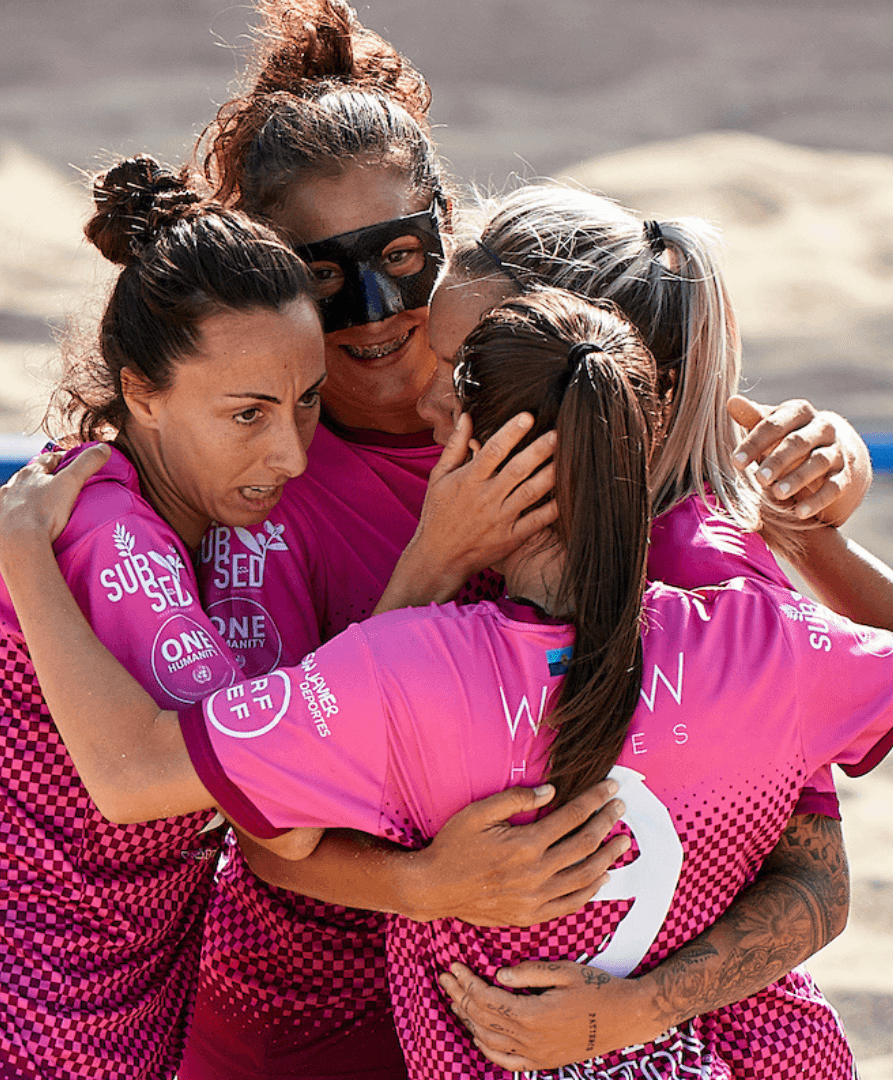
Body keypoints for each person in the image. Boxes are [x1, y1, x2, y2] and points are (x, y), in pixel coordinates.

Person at [183, 4, 873, 1076]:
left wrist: (631, 1013)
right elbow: (246, 820)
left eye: (406, 261)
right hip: (303, 1012)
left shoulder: (685, 557)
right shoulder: (257, 468)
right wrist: (422, 883)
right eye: (322, 273)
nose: (386, 329)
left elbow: (815, 881)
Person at [0, 287, 893, 1080]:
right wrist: (820, 542)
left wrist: (24, 554)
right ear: (641, 444)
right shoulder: (766, 637)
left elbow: (145, 780)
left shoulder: (403, 666)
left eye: (446, 394)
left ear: (472, 443)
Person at [413, 184, 875, 1071]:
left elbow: (818, 885)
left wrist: (633, 1013)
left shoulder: (702, 583)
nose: (425, 396)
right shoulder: (491, 521)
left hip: (708, 1050)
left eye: (469, 368)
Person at [0, 154, 327, 1080]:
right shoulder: (110, 540)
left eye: (307, 404)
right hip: (31, 1042)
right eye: (248, 414)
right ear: (142, 391)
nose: (294, 454)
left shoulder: (122, 497)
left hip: (57, 1018)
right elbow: (286, 818)